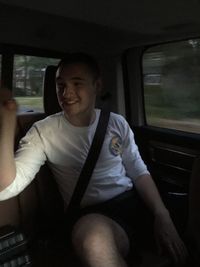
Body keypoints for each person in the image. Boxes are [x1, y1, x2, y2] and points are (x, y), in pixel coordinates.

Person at [0, 53, 188, 267]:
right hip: (94, 215)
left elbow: (138, 171)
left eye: (77, 83)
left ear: (97, 86)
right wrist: (7, 120)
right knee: (94, 241)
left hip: (134, 202)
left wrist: (162, 214)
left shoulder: (116, 123)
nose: (66, 92)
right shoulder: (43, 132)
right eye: (60, 84)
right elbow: (7, 186)